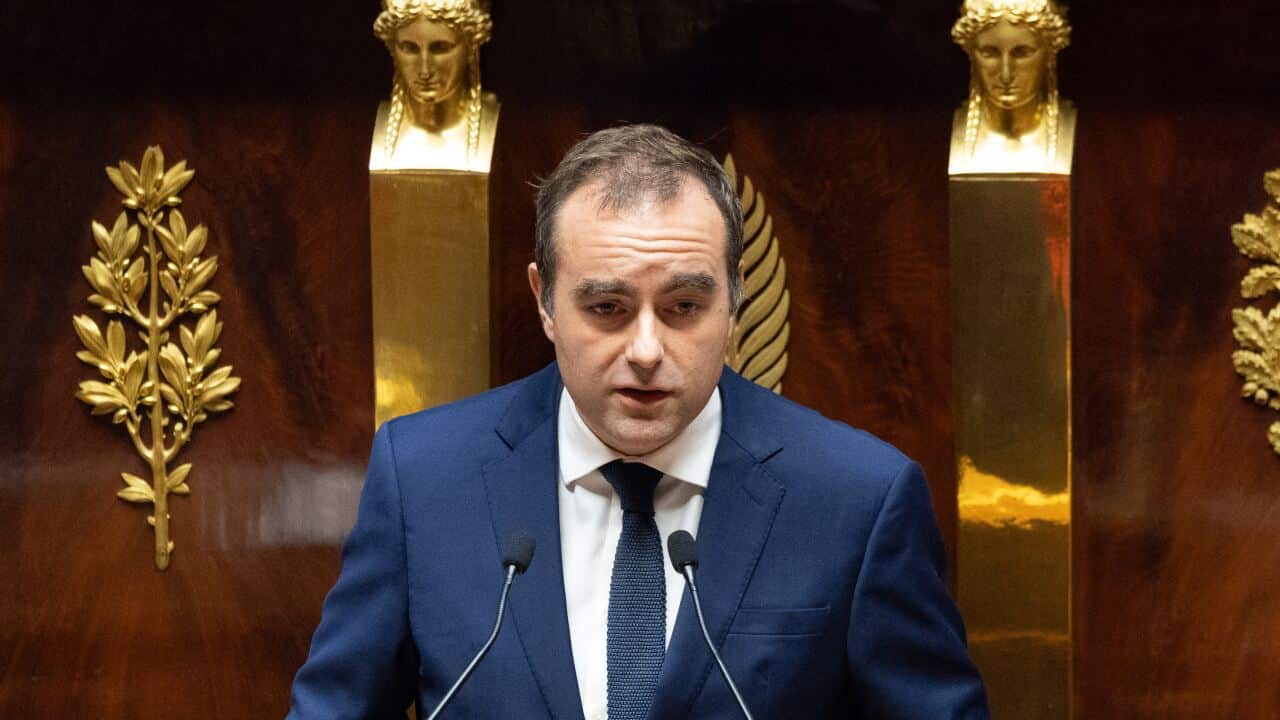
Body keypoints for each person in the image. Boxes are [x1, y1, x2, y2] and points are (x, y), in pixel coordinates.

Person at [287, 124, 989, 718]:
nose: (647, 351)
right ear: (545, 300)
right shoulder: (424, 479)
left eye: (684, 307)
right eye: (607, 308)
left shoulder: (858, 500)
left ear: (735, 298)